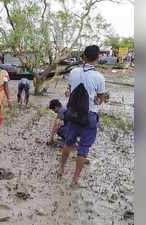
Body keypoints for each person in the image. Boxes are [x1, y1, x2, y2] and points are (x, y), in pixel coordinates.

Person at [59, 45, 105, 188]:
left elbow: (69, 90)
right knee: (83, 148)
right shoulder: (99, 77)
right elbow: (99, 100)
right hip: (89, 115)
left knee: (68, 143)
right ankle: (74, 180)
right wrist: (98, 99)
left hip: (72, 113)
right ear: (98, 58)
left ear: (83, 56)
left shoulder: (73, 72)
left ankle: (61, 170)